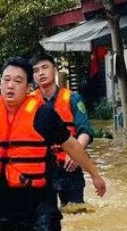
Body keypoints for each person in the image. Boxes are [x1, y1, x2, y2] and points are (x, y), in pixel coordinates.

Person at [0, 57, 107, 231]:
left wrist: (95, 175)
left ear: (28, 87)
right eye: (6, 80)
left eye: (17, 81)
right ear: (0, 83)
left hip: (39, 203)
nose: (10, 85)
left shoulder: (44, 116)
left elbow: (71, 145)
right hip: (1, 202)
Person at [31, 52, 94, 207]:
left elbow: (84, 131)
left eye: (45, 68)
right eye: (36, 70)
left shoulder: (72, 99)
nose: (41, 73)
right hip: (41, 167)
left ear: (55, 70)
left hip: (68, 165)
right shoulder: (28, 102)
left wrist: (76, 154)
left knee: (75, 211)